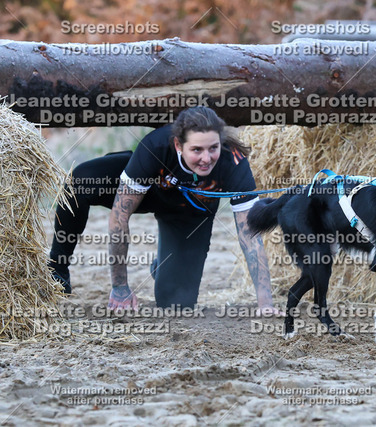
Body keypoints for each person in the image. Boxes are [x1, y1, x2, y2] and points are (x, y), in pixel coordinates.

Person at [49, 106, 281, 315]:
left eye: (213, 148)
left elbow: (250, 235)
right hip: (149, 188)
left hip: (189, 211)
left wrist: (265, 303)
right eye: (197, 149)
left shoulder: (233, 161)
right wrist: (120, 287)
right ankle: (58, 270)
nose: (206, 158)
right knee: (80, 181)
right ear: (178, 145)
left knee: (176, 304)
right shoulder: (155, 146)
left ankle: (163, 264)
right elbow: (119, 218)